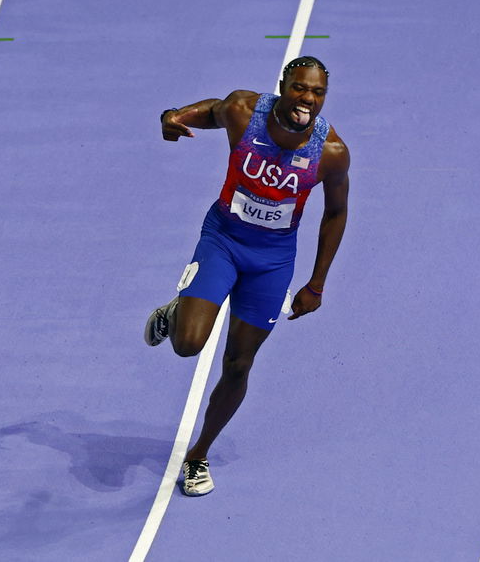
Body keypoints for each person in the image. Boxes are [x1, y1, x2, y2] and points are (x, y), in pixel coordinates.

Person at [144, 56, 350, 496]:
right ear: (283, 85)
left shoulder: (331, 153)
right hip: (223, 240)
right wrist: (173, 116)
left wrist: (316, 283)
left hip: (272, 261)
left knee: (238, 365)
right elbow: (212, 111)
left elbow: (336, 213)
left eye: (317, 93)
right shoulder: (244, 111)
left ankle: (198, 455)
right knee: (187, 344)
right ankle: (176, 312)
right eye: (300, 88)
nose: (308, 99)